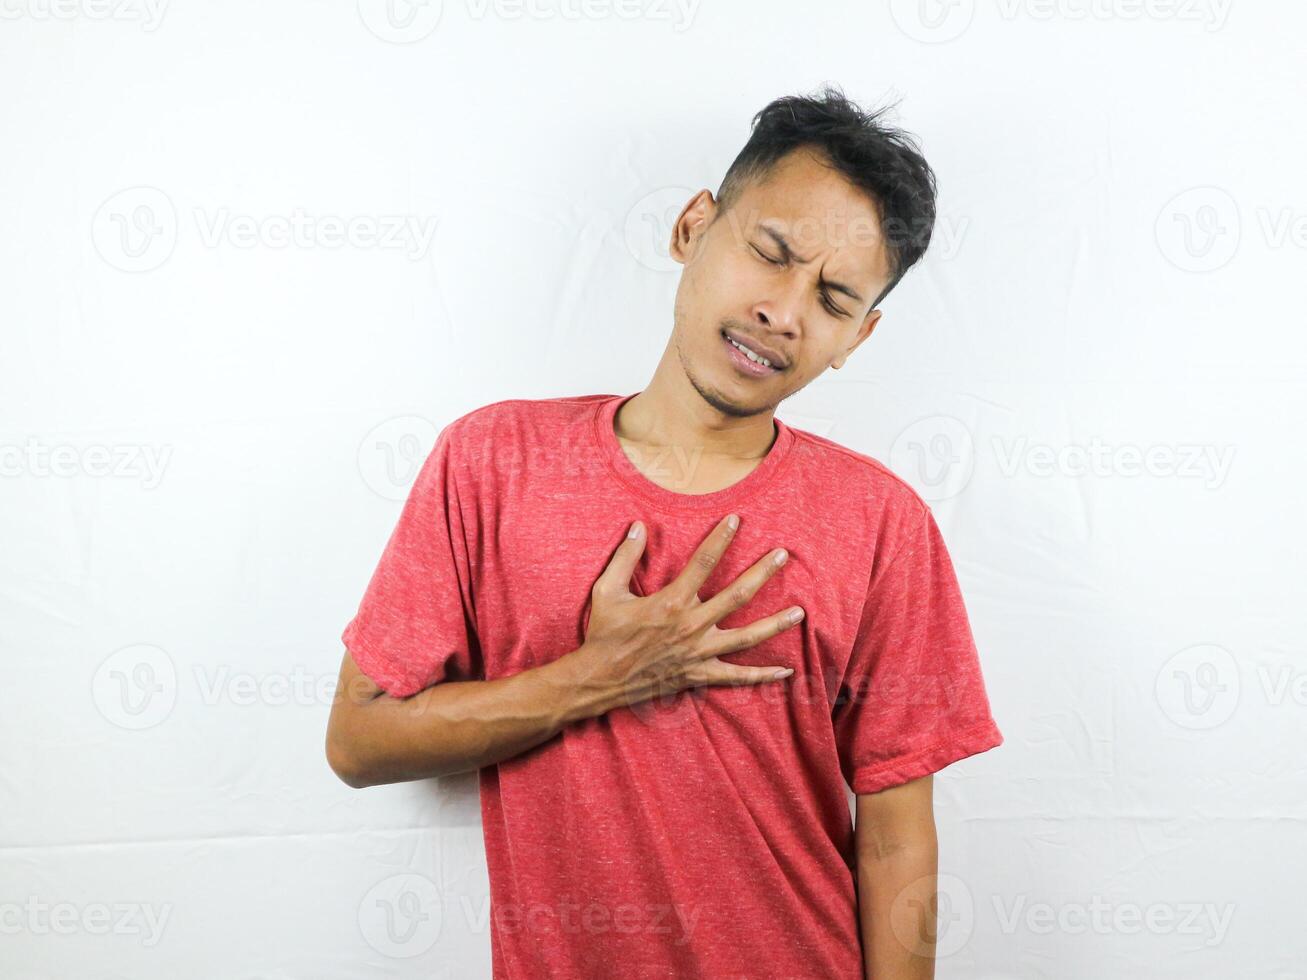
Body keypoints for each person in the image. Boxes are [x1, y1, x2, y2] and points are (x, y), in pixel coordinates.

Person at [326, 82, 1003, 979]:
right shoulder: (492, 461)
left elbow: (895, 838)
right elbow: (360, 741)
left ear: (857, 337)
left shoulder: (880, 522)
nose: (785, 311)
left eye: (834, 300)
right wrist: (595, 676)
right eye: (771, 254)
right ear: (692, 226)